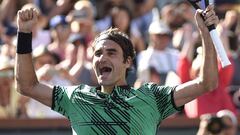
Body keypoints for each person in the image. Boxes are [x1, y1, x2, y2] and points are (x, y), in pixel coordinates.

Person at [15, 5, 219, 135]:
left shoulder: (152, 97)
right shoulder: (76, 98)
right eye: (97, 54)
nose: (102, 58)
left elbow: (206, 83)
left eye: (111, 53)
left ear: (128, 62)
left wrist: (205, 34)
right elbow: (27, 86)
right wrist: (24, 33)